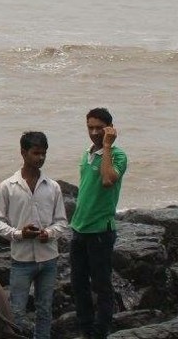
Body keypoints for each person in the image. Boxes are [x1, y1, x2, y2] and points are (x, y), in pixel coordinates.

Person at [0, 131, 68, 339]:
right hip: (21, 260)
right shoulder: (8, 187)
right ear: (23, 153)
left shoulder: (53, 187)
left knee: (45, 309)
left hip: (48, 258)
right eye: (36, 153)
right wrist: (18, 234)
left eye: (44, 153)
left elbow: (62, 221)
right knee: (16, 311)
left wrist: (49, 233)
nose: (40, 158)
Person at [69, 107, 128, 339]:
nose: (94, 132)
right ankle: (86, 331)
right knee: (78, 284)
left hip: (101, 231)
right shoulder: (87, 154)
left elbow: (107, 180)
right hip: (79, 228)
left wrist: (107, 146)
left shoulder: (118, 155)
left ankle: (100, 333)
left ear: (109, 129)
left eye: (99, 128)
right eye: (90, 127)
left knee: (102, 286)